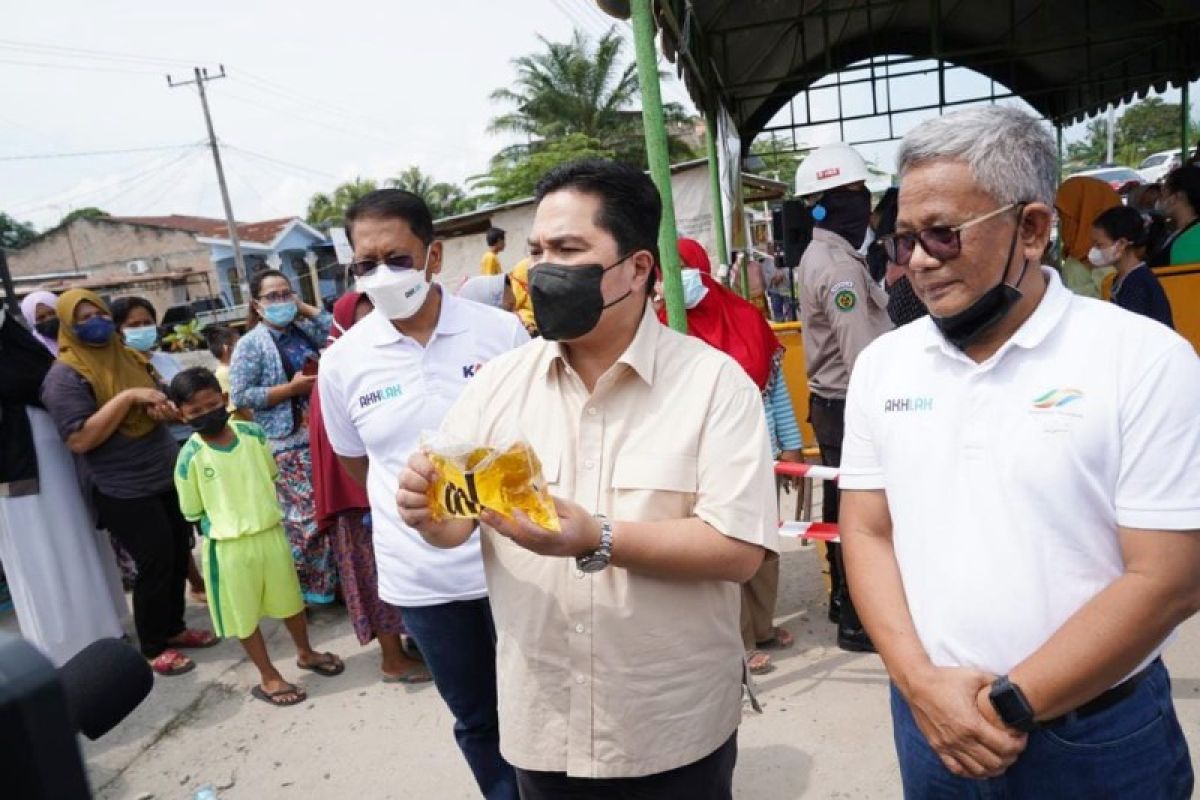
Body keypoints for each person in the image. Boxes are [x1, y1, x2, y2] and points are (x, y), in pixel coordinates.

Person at [843, 105, 1200, 798]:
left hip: (1095, 740)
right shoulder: (885, 368)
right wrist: (921, 688)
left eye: (943, 235)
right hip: (929, 723)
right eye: (904, 238)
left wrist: (1006, 704)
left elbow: (1170, 578)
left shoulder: (1145, 360)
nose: (918, 260)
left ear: (1032, 229)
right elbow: (867, 529)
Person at [397, 159, 778, 798]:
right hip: (544, 725)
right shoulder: (496, 385)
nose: (542, 269)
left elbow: (738, 551)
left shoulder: (714, 386)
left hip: (671, 726)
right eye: (537, 250)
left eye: (569, 249)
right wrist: (427, 513)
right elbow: (455, 523)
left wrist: (596, 537)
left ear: (637, 268)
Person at [319, 189, 528, 799]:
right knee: (478, 720)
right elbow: (359, 464)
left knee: (549, 705)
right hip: (425, 584)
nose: (381, 275)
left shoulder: (501, 333)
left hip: (515, 565)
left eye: (398, 257)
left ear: (434, 255)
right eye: (365, 264)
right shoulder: (344, 363)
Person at [40, 289, 216, 675]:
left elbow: (159, 404)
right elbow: (80, 439)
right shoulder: (64, 377)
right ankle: (153, 645)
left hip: (162, 470)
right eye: (82, 319)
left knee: (176, 552)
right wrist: (128, 399)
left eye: (98, 314)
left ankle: (174, 628)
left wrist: (161, 408)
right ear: (67, 326)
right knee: (153, 560)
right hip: (120, 485)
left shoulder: (131, 356)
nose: (94, 323)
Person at [654, 237, 801, 675]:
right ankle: (737, 641)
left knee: (763, 548)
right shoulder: (662, 331)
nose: (673, 280)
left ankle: (763, 627)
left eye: (682, 267)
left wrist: (790, 442)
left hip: (763, 453)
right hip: (705, 463)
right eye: (667, 270)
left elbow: (775, 392)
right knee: (724, 552)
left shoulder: (745, 317)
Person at [170, 367, 344, 706]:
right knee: (244, 615)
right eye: (195, 412)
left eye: (211, 405)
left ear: (223, 400)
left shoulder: (253, 434)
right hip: (230, 548)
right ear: (181, 414)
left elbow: (270, 474)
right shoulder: (188, 458)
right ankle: (268, 676)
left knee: (290, 601)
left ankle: (305, 652)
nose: (206, 414)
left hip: (270, 534)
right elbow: (193, 512)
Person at [794, 141, 893, 652]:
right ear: (823, 203)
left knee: (840, 511)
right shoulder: (838, 269)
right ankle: (858, 619)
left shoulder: (827, 256)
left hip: (833, 403)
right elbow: (864, 358)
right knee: (861, 516)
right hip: (850, 403)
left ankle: (843, 604)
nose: (866, 204)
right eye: (855, 193)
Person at [309, 290, 429, 685]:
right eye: (358, 321)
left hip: (390, 496)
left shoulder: (384, 361)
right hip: (356, 503)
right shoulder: (338, 369)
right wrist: (373, 492)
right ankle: (391, 659)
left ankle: (414, 643)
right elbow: (342, 453)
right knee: (373, 579)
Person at [0, 304, 126, 666]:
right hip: (17, 473)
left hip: (58, 459)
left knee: (77, 540)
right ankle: (60, 646)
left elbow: (40, 379)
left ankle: (102, 631)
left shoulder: (21, 347)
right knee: (38, 554)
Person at [229, 269, 338, 607]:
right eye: (272, 297)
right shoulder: (251, 345)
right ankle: (304, 590)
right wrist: (287, 390)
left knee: (331, 513)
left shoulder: (303, 330)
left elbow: (338, 331)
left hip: (324, 434)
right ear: (257, 305)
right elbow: (241, 395)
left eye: (285, 293)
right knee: (305, 520)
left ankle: (331, 585)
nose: (281, 302)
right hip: (287, 442)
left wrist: (304, 307)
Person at [1090, 206, 1175, 328]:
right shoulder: (1124, 278)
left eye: (1099, 245)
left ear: (1121, 244)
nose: (1094, 250)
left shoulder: (1136, 283)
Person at [1054, 176, 1120, 298]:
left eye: (1064, 214)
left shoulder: (1106, 259)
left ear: (1083, 212)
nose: (1060, 221)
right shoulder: (1078, 252)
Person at [1153, 165, 1200, 266]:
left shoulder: (1188, 241)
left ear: (1178, 196)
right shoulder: (1180, 232)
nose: (1159, 199)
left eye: (1163, 192)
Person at [204, 326, 244, 417]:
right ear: (226, 348)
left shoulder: (234, 370)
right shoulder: (225, 374)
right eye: (239, 344)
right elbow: (241, 406)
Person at [21, 290, 60, 356]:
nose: (49, 319)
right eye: (41, 317)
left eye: (52, 313)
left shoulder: (77, 334)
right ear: (32, 322)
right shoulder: (34, 349)